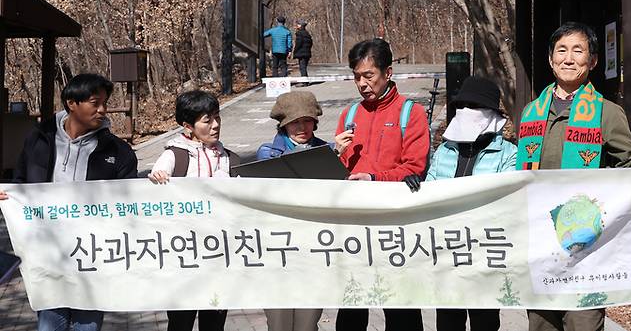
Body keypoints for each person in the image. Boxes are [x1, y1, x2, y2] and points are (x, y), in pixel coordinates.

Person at [518, 22, 631, 331]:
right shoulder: (530, 113)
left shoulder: (606, 112)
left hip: (587, 247)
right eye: (561, 51)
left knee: (584, 325)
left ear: (592, 62)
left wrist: (614, 189)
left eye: (578, 51)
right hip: (540, 245)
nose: (568, 58)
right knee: (541, 325)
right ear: (550, 60)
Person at [0, 73, 138, 331]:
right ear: (71, 103)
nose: (103, 110)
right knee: (49, 326)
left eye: (105, 103)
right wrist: (10, 197)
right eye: (95, 103)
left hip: (94, 257)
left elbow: (130, 202)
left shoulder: (118, 151)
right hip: (47, 252)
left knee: (87, 327)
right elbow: (21, 181)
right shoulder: (39, 139)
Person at [333, 38, 429, 331]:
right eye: (356, 77)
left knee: (400, 309)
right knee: (351, 307)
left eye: (368, 75)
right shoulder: (350, 115)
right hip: (354, 226)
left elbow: (415, 168)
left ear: (388, 73)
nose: (362, 83)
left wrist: (374, 179)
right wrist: (333, 153)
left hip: (394, 226)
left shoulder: (410, 113)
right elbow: (338, 174)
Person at [425, 76, 517, 331]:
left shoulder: (509, 155)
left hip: (484, 253)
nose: (467, 112)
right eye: (462, 106)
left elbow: (507, 199)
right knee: (448, 321)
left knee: (484, 321)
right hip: (448, 250)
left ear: (490, 113)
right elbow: (429, 192)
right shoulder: (445, 151)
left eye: (474, 107)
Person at [148, 90, 239, 331]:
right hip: (183, 256)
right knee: (180, 321)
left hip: (219, 254)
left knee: (214, 320)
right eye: (207, 120)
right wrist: (158, 177)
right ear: (188, 126)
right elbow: (155, 187)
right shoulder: (173, 155)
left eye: (217, 117)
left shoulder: (227, 157)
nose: (216, 125)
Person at [255, 90, 326, 331]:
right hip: (276, 251)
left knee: (308, 324)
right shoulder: (267, 153)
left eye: (307, 120)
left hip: (315, 249)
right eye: (295, 122)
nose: (302, 127)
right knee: (279, 324)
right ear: (283, 125)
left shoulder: (326, 150)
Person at [293, 19, 313, 84]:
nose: (297, 25)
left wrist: (295, 51)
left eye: (298, 24)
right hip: (307, 53)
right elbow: (311, 43)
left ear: (300, 26)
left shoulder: (299, 33)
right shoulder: (307, 34)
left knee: (302, 67)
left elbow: (298, 43)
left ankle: (304, 82)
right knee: (304, 67)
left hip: (301, 53)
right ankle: (306, 81)